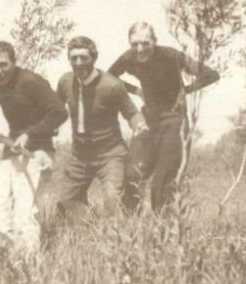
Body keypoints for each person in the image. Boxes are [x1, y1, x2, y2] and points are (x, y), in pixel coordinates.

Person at [108, 22, 220, 214]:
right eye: (135, 44)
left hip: (174, 119)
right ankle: (130, 229)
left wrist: (185, 90)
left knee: (162, 181)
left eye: (145, 43)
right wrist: (135, 90)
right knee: (132, 173)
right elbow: (109, 76)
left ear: (154, 41)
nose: (140, 49)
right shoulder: (129, 57)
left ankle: (164, 231)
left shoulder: (171, 55)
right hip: (149, 119)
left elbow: (211, 74)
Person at [0, 40, 68, 253]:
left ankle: (29, 267)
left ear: (14, 62)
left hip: (37, 152)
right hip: (11, 151)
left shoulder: (30, 81)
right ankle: (7, 262)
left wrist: (30, 133)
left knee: (24, 214)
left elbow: (59, 112)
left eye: (2, 64)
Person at [56, 36, 147, 216]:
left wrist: (140, 125)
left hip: (110, 155)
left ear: (94, 58)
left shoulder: (112, 85)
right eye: (73, 58)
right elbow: (54, 109)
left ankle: (120, 228)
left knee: (112, 199)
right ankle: (90, 227)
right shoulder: (65, 82)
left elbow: (131, 113)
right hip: (80, 156)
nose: (78, 63)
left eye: (84, 58)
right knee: (68, 202)